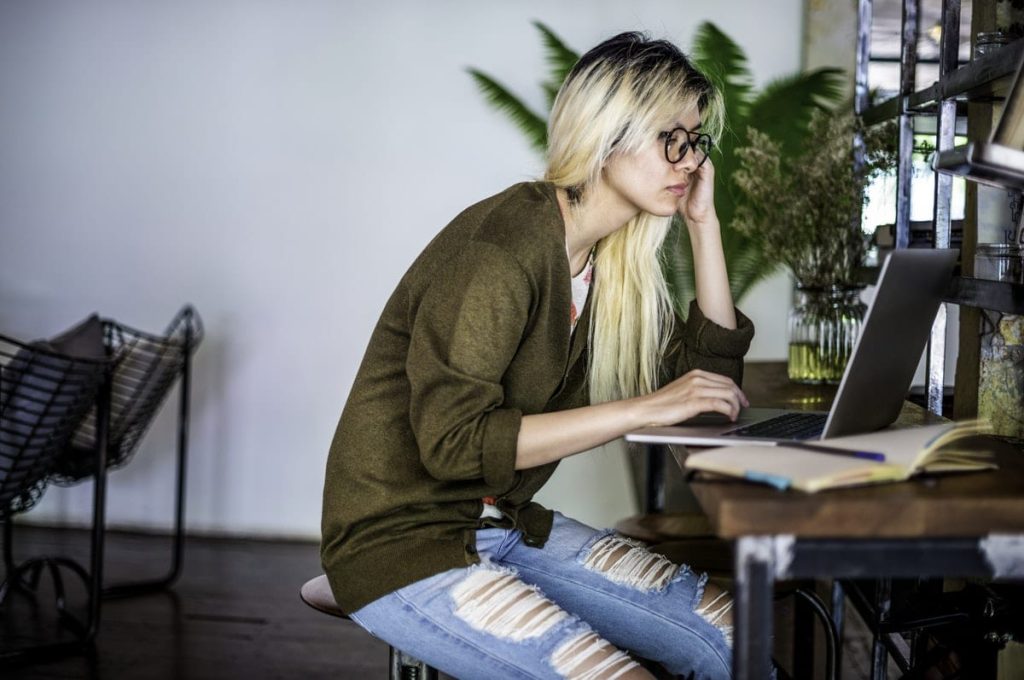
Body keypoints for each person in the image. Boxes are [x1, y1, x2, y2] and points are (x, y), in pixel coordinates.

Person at [321, 31, 755, 680]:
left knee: (733, 638)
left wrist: (704, 225)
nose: (690, 161)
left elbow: (709, 390)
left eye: (697, 143)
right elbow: (453, 444)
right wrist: (645, 406)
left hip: (505, 525)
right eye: (674, 139)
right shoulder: (502, 249)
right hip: (405, 536)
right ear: (610, 134)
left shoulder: (611, 264)